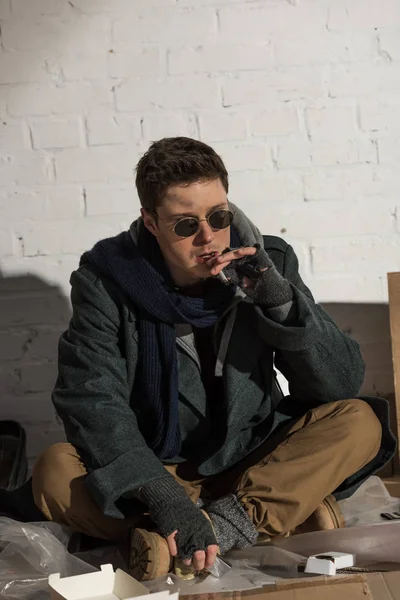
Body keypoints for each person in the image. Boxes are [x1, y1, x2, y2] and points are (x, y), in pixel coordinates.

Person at [32, 137, 395, 581]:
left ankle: (198, 534)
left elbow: (336, 385)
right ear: (151, 221)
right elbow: (91, 399)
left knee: (360, 420)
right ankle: (274, 516)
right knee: (54, 471)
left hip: (250, 457)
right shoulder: (105, 282)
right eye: (186, 225)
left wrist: (279, 302)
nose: (209, 237)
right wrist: (165, 497)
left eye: (219, 217)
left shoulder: (265, 260)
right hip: (156, 466)